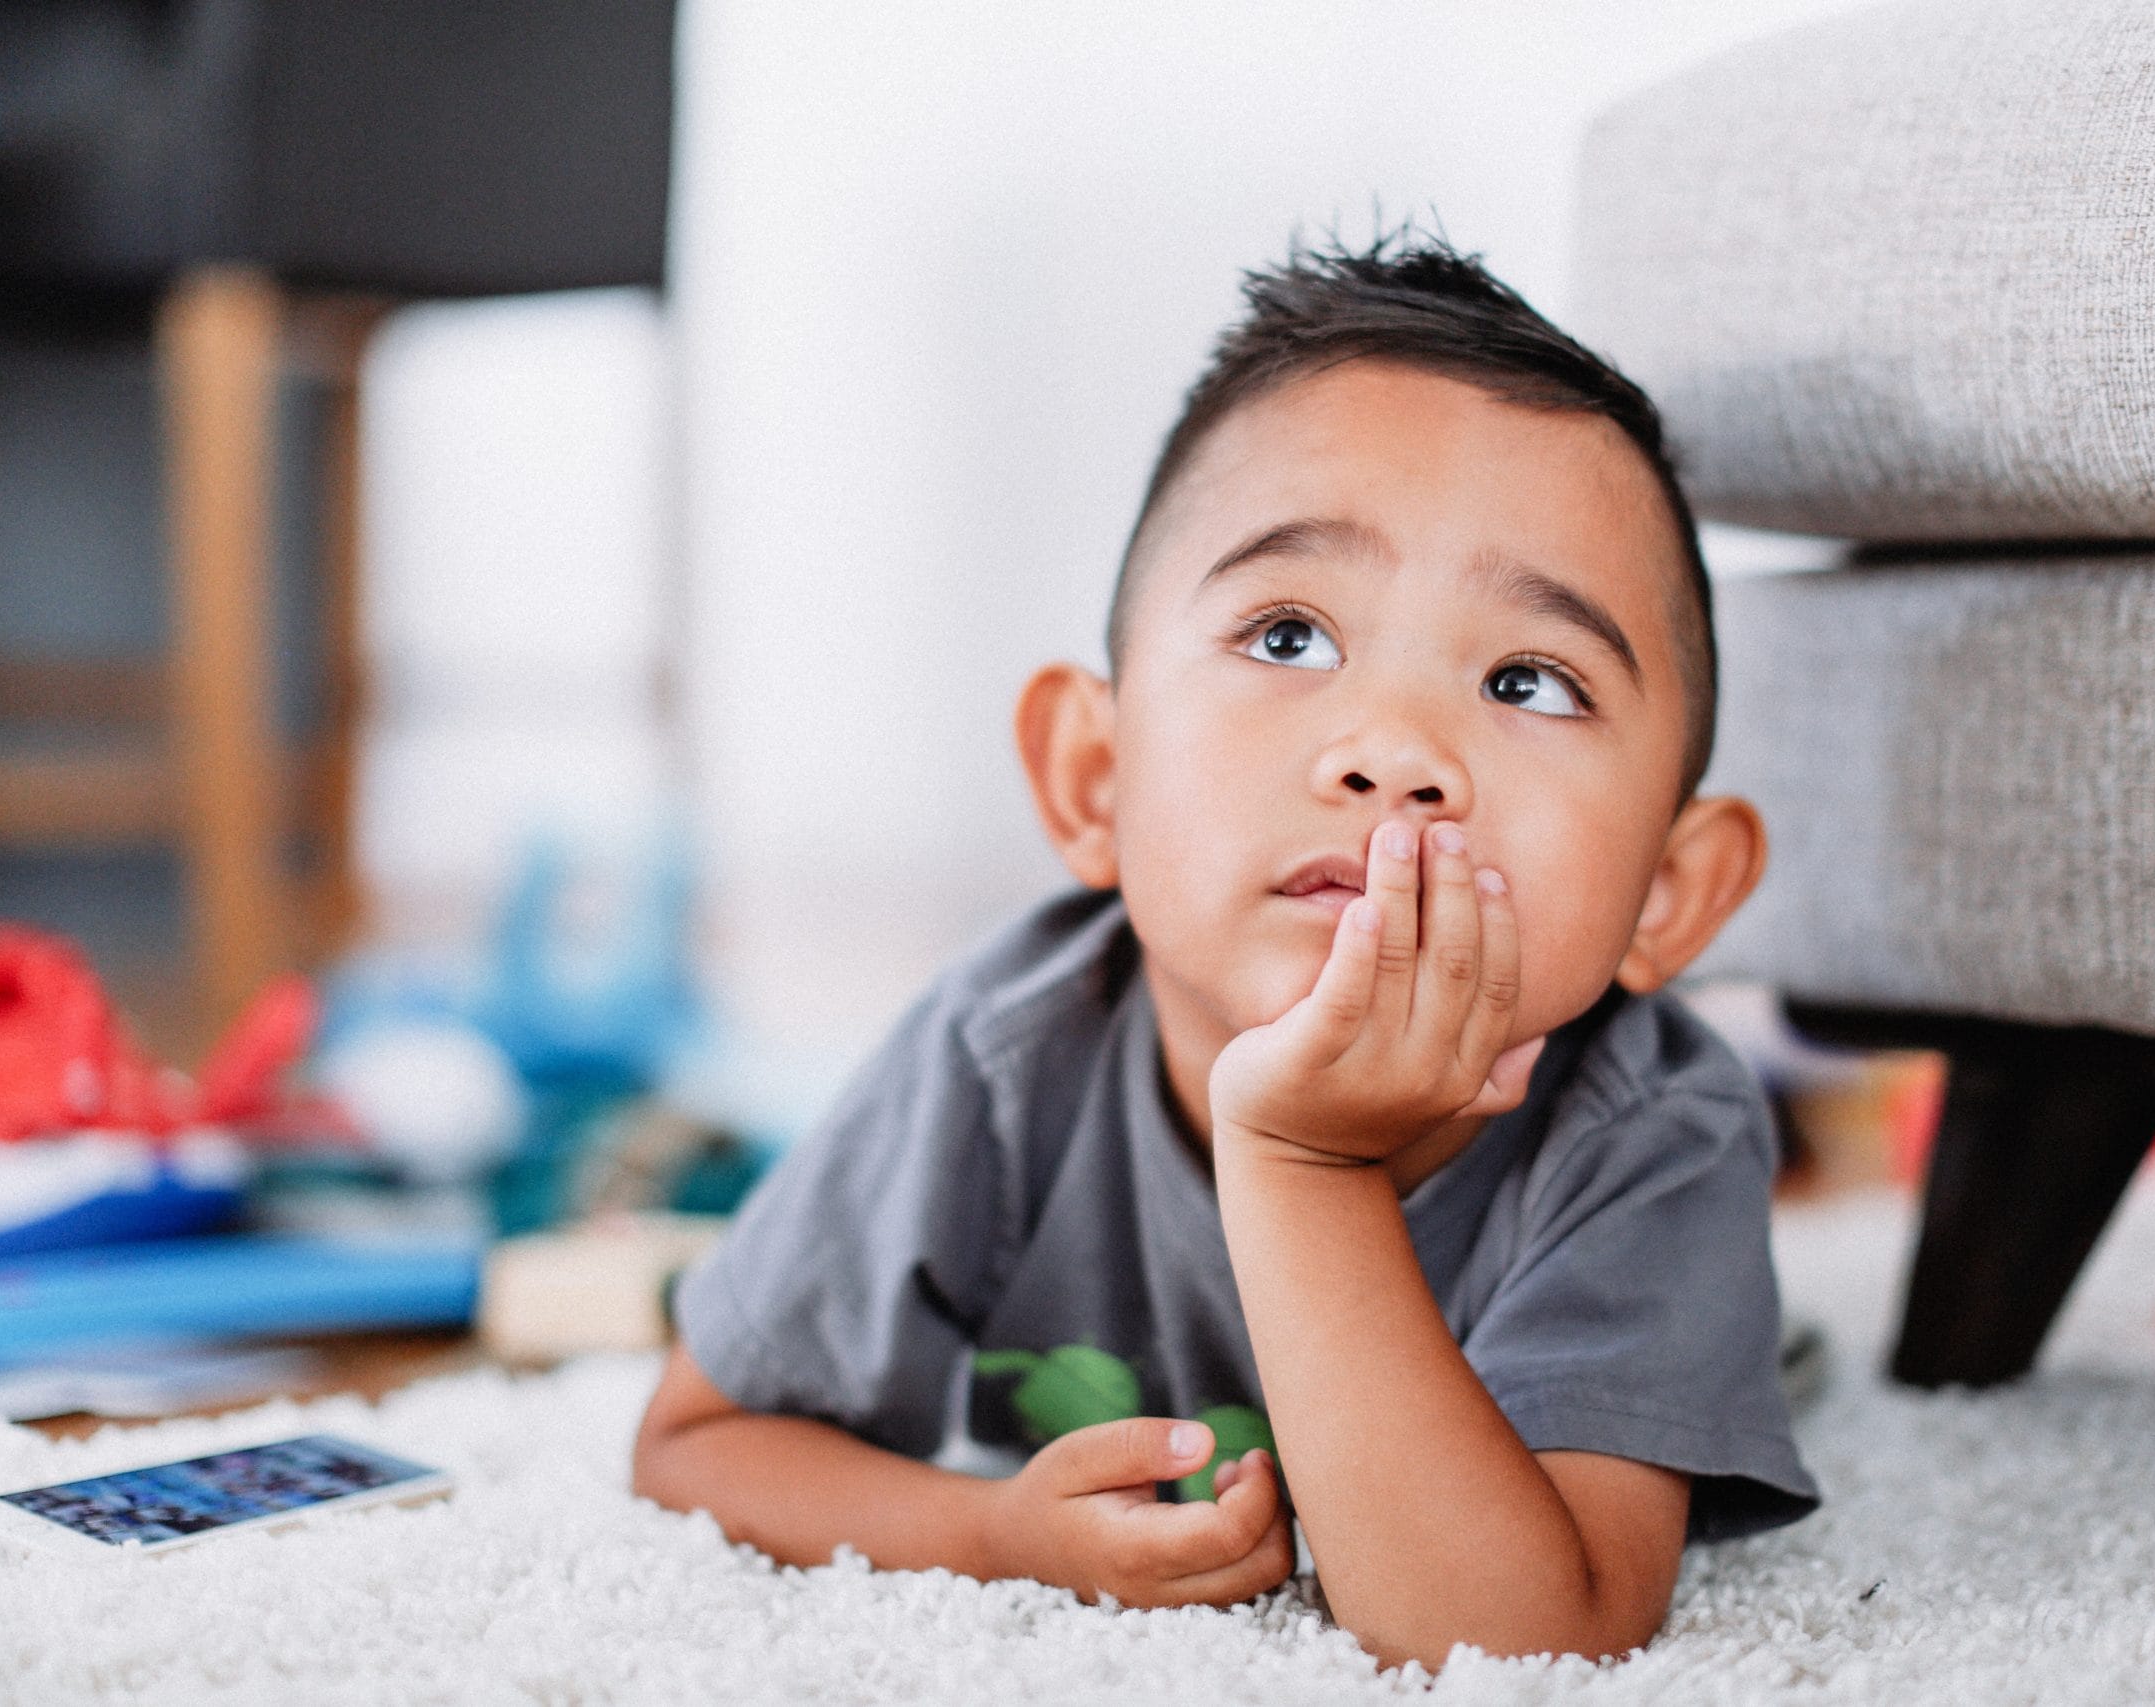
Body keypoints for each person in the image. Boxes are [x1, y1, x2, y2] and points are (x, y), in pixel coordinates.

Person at [631, 231, 1819, 1669]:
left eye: (1527, 679)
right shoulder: (1009, 1048)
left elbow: (1524, 1642)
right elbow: (698, 1440)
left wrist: (1303, 1164)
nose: (1395, 753)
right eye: (1289, 637)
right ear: (1094, 779)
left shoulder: (1652, 1129)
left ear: (1668, 900)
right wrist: (991, 1535)